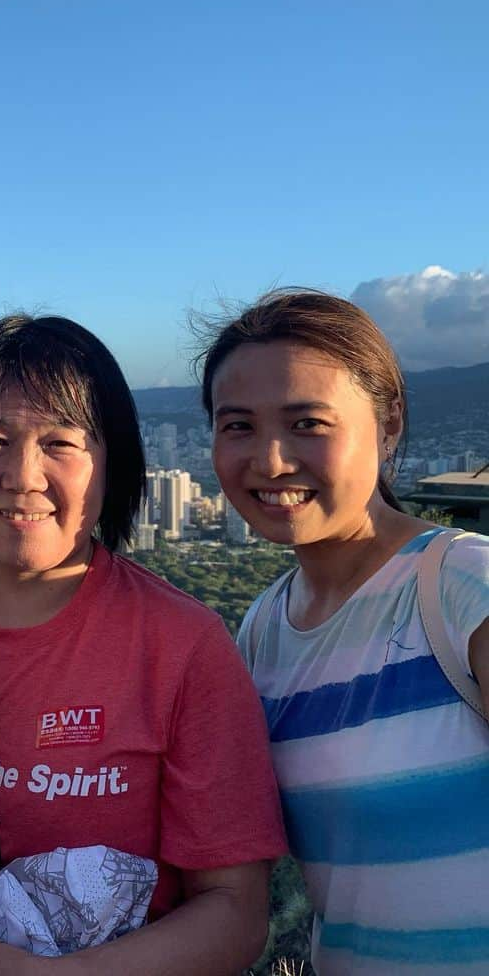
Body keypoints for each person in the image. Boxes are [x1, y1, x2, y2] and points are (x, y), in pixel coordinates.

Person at [0, 314, 286, 975]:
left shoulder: (180, 645)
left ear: (112, 464)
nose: (21, 477)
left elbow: (234, 911)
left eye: (61, 443)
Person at [199, 289, 489, 976]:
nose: (269, 461)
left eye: (307, 423)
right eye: (237, 426)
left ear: (388, 426)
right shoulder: (265, 629)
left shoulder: (463, 590)